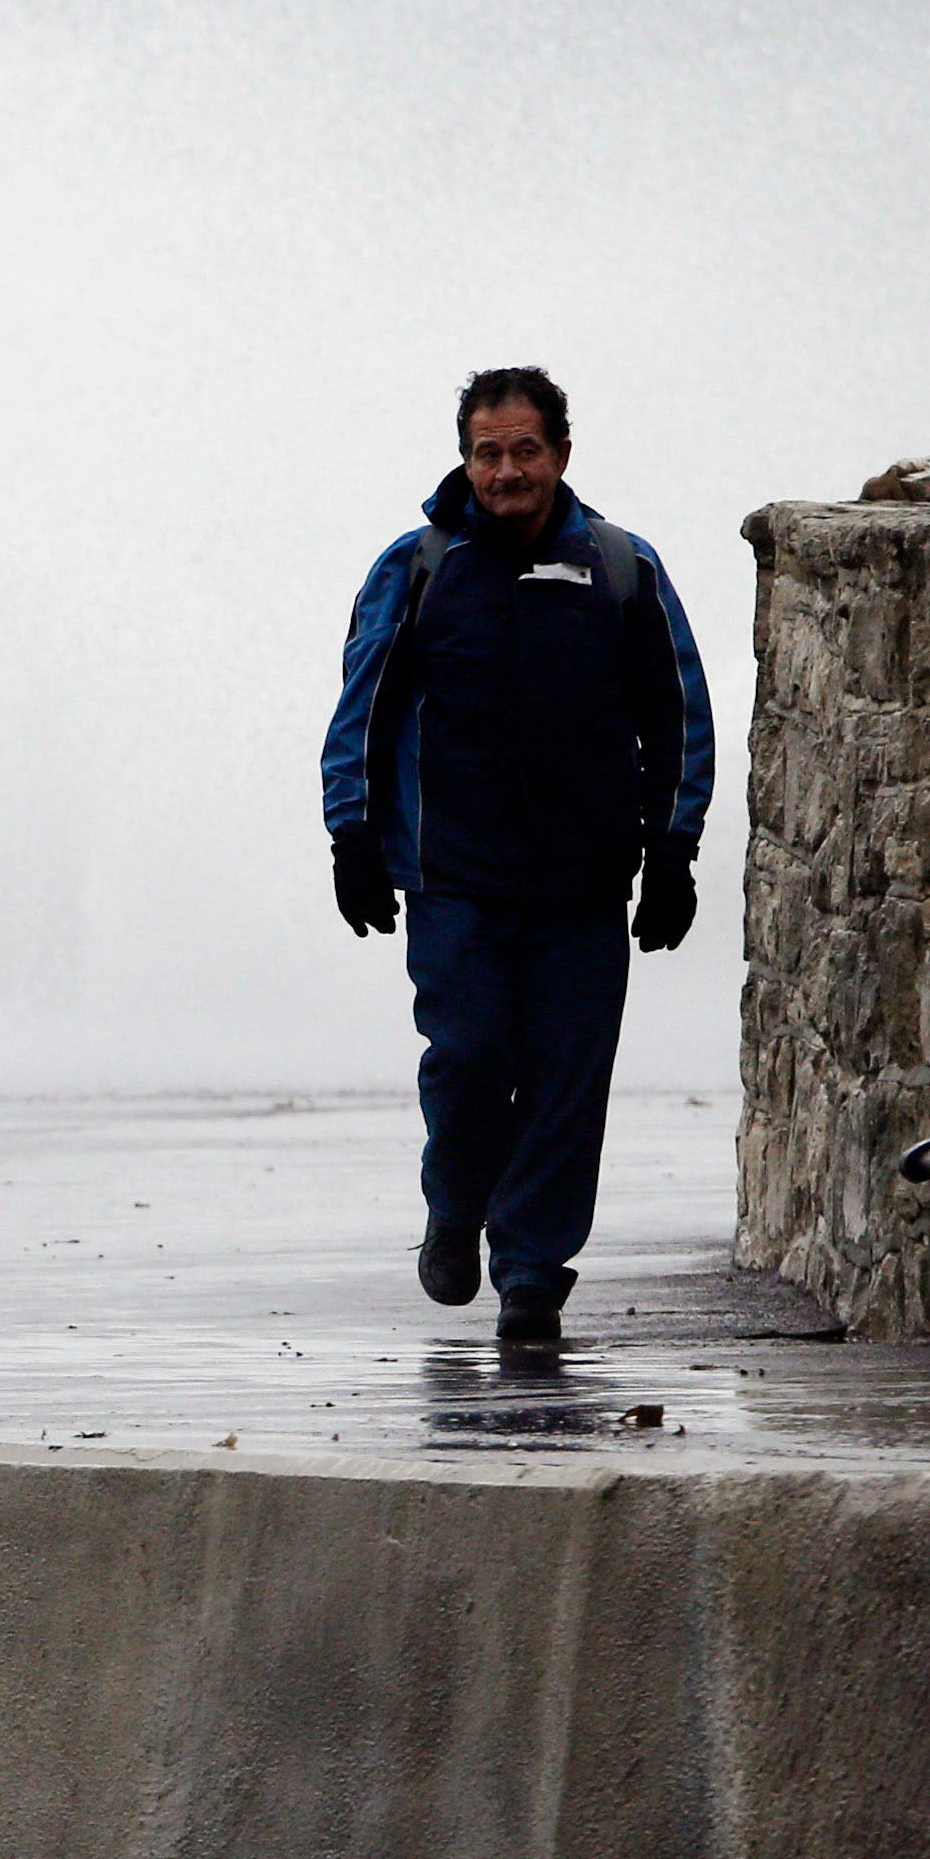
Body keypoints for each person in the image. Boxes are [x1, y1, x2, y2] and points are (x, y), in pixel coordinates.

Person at [318, 367, 713, 1343]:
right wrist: (352, 835)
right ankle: (455, 1205)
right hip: (455, 879)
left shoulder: (624, 570)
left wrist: (674, 851)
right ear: (466, 459)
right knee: (468, 1056)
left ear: (562, 456)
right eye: (489, 453)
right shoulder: (418, 569)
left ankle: (534, 1270)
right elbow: (360, 709)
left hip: (582, 884)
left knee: (567, 1080)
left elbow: (678, 716)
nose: (507, 472)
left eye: (525, 450)